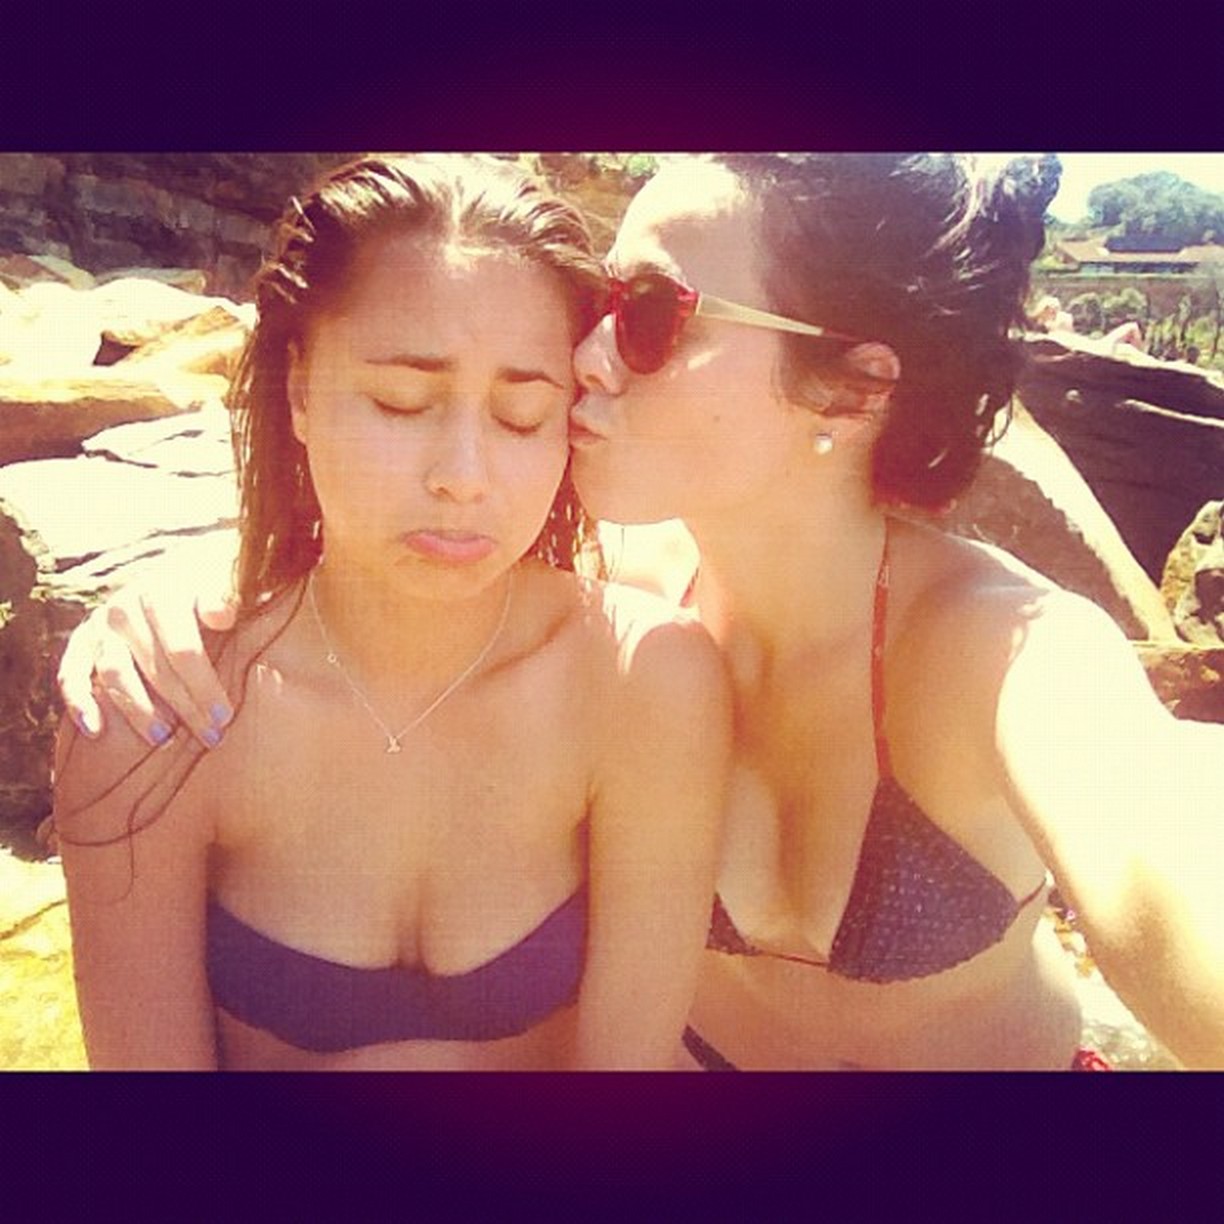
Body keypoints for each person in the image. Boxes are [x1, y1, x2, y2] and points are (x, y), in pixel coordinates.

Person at [59, 153, 1224, 1070]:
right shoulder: (612, 592)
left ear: (850, 390)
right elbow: (379, 535)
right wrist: (173, 606)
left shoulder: (1005, 651)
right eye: (602, 303)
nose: (588, 353)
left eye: (655, 313)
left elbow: (1162, 872)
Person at [50, 153, 730, 1070]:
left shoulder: (642, 681)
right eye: (401, 402)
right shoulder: (157, 704)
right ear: (299, 391)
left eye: (522, 416)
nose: (463, 476)